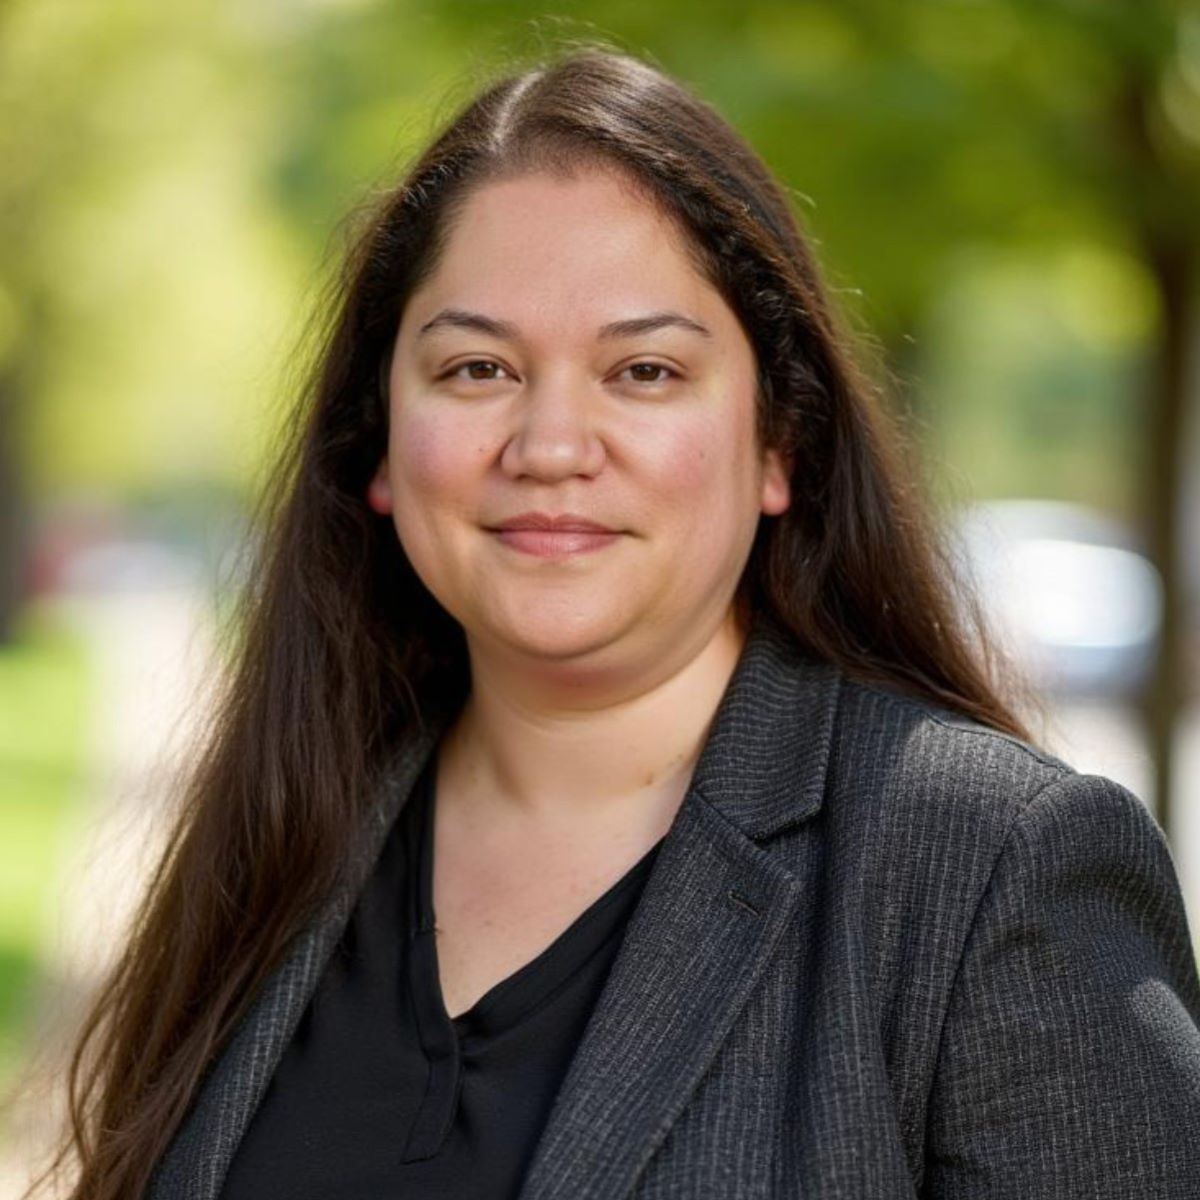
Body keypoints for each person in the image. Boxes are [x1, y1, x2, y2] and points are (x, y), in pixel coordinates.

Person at [28, 43, 1200, 1200]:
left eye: (644, 372)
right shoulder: (286, 835)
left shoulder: (992, 871)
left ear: (779, 442)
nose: (549, 447)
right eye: (477, 369)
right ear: (377, 441)